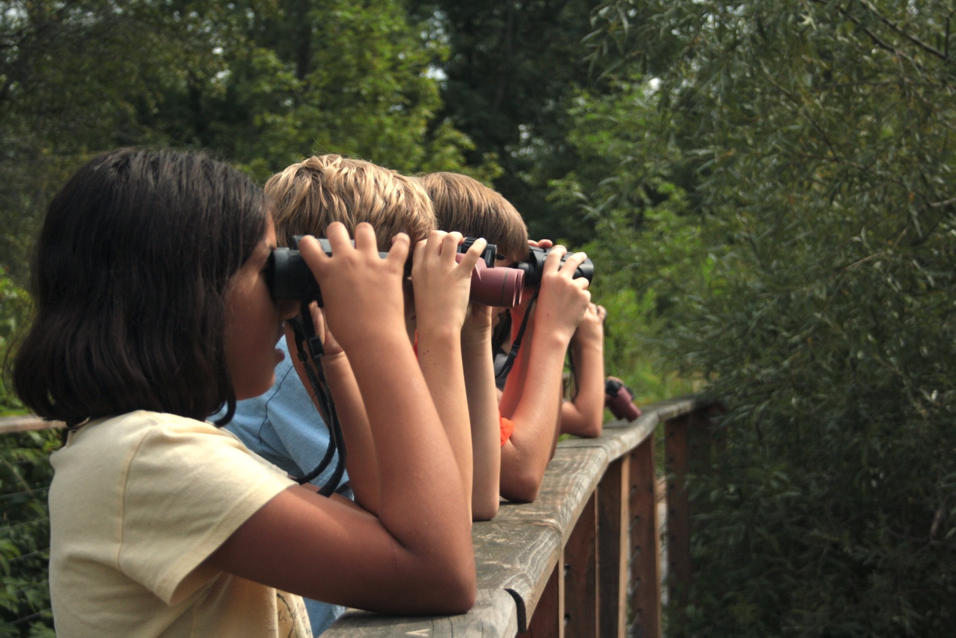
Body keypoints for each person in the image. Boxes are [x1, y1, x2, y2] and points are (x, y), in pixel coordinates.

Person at [11, 149, 476, 636]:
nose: (287, 300)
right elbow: (440, 571)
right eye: (265, 270)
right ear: (189, 294)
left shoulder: (149, 446)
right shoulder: (149, 454)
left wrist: (334, 358)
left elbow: (390, 514)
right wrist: (386, 335)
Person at [225, 154, 496, 632]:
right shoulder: (285, 367)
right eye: (406, 268)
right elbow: (456, 516)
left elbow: (465, 505)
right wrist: (438, 330)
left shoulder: (330, 353)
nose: (421, 284)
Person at [419, 172, 601, 504]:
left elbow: (522, 445)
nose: (518, 277)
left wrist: (528, 319)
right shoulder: (423, 342)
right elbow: (521, 474)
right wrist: (554, 333)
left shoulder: (441, 339)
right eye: (509, 263)